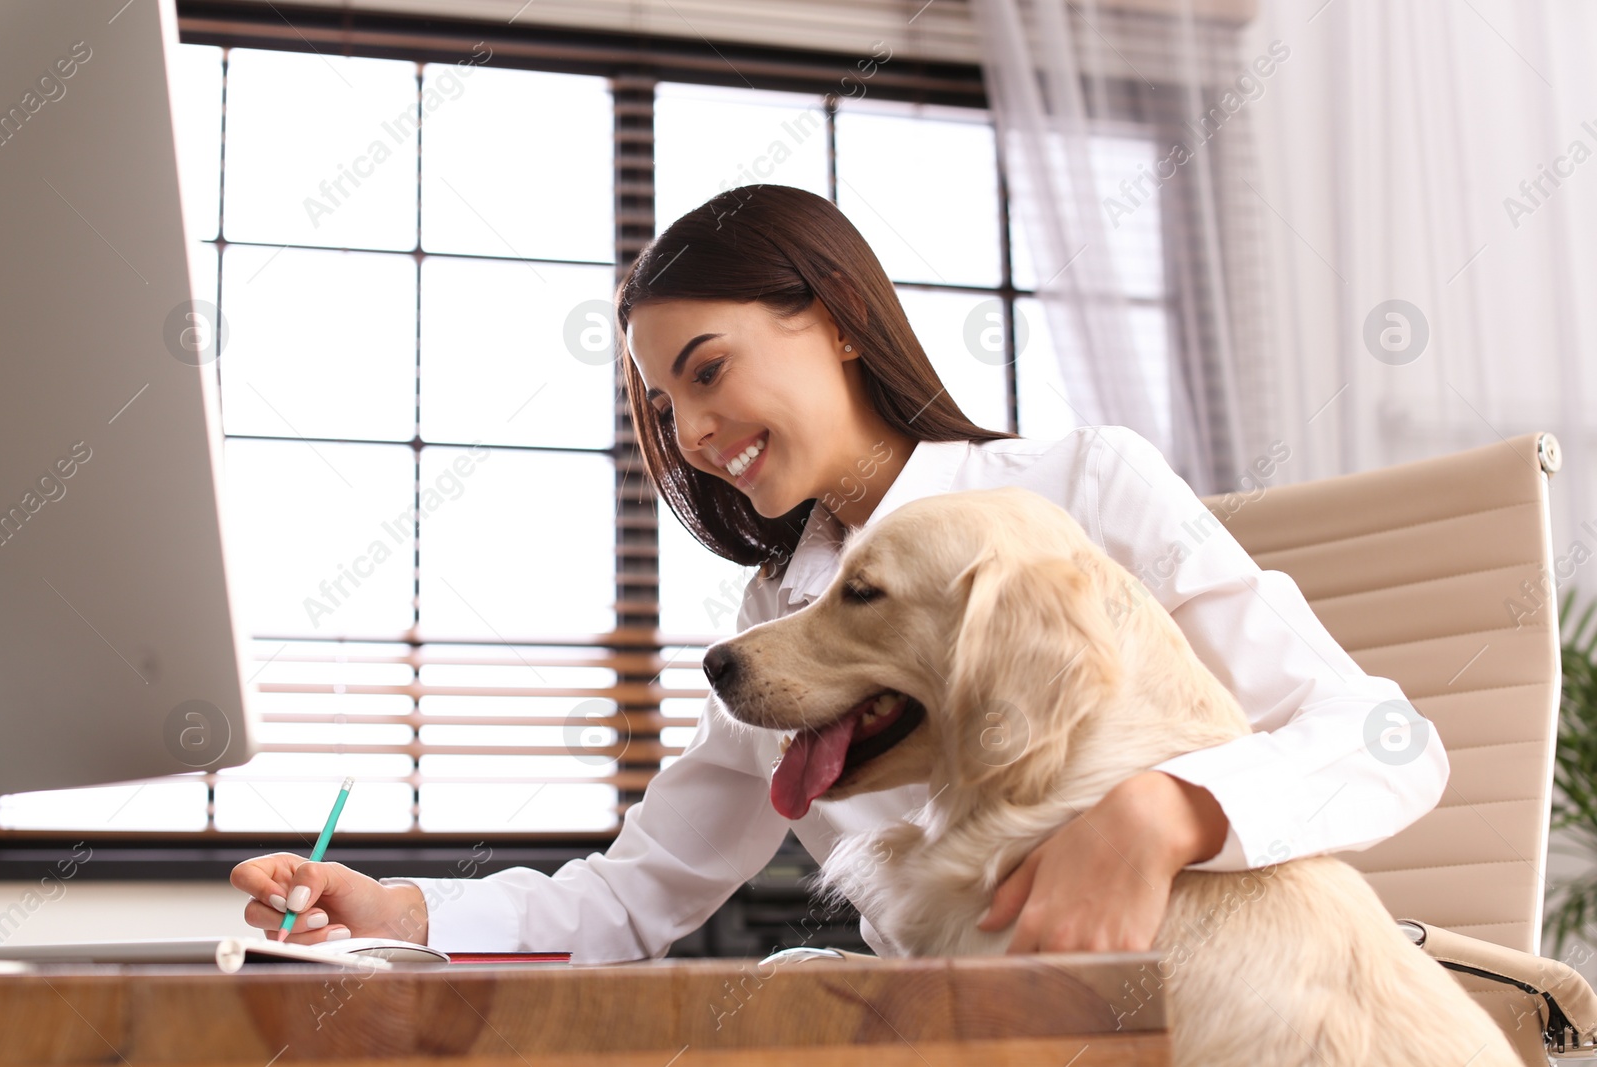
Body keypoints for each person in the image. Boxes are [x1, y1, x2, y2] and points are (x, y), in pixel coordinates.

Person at [231, 184, 1448, 961]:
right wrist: (403, 912)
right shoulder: (779, 622)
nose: (692, 432)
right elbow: (637, 892)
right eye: (663, 403)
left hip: (1197, 1006)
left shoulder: (1081, 486)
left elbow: (1383, 737)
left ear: (839, 321)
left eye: (708, 370)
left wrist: (1165, 811)